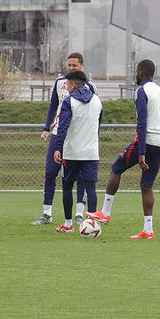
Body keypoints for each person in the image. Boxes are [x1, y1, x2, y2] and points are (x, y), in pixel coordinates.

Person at [88, 59, 160, 240]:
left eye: (137, 72)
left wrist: (141, 153)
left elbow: (142, 121)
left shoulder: (141, 91)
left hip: (148, 141)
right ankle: (148, 230)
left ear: (141, 72)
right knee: (147, 185)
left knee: (116, 168)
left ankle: (105, 212)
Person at [32, 52, 96, 225]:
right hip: (58, 134)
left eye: (74, 65)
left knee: (80, 176)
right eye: (69, 65)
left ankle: (79, 213)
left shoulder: (90, 87)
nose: (71, 68)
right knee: (50, 171)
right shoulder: (59, 83)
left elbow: (94, 113)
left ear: (82, 66)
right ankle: (47, 213)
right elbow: (54, 104)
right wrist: (47, 127)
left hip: (79, 137)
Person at [50, 70, 103, 234]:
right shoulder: (97, 101)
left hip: (72, 152)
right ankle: (93, 226)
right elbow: (98, 126)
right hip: (91, 152)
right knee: (91, 188)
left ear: (73, 84)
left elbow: (62, 127)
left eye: (68, 84)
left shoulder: (69, 101)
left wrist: (58, 148)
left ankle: (68, 224)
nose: (67, 87)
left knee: (67, 186)